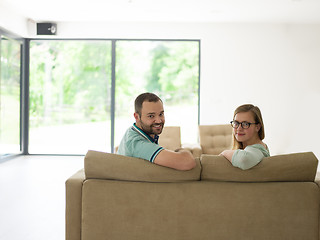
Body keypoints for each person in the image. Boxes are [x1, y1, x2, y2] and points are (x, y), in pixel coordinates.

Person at [117, 92, 196, 170]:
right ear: (137, 117)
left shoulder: (132, 131)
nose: (158, 121)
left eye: (161, 114)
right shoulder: (136, 143)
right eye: (151, 116)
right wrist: (180, 150)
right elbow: (187, 162)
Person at [220, 104, 270, 170]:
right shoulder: (245, 149)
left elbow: (244, 160)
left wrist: (224, 153)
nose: (239, 128)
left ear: (257, 127)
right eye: (236, 123)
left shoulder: (259, 150)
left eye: (245, 124)